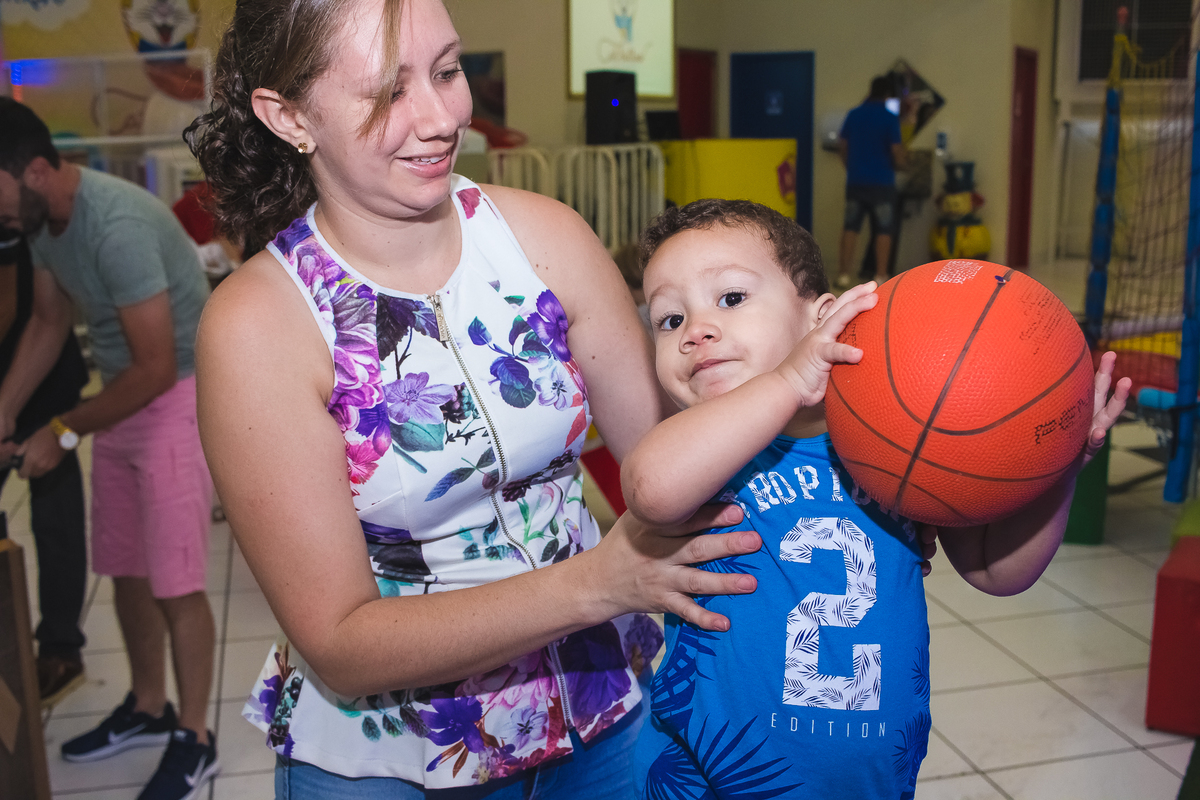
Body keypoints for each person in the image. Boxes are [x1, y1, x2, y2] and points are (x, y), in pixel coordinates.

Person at [184, 0, 759, 797]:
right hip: (396, 755)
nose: (445, 115)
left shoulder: (546, 237)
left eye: (449, 71)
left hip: (599, 714)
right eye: (389, 93)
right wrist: (598, 582)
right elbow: (341, 641)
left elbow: (673, 456)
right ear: (290, 116)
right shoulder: (260, 326)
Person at [620, 199, 1131, 798]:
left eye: (731, 298)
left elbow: (998, 572)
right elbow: (652, 490)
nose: (696, 331)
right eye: (668, 320)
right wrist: (787, 381)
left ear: (823, 318)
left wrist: (1059, 465)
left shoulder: (904, 439)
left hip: (870, 778)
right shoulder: (705, 450)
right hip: (704, 775)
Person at [0, 98, 219, 800]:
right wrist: (1, 411)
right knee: (125, 567)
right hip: (125, 395)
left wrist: (63, 431)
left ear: (35, 170)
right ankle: (148, 706)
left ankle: (196, 735)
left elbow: (156, 366)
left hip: (179, 394)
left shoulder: (115, 225)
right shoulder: (42, 220)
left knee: (175, 580)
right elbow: (46, 318)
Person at [0, 226, 90, 708]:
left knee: (56, 522)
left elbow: (18, 303)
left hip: (42, 381)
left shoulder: (11, 210)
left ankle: (59, 648)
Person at [836, 76, 907, 289]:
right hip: (882, 182)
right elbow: (896, 151)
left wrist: (850, 166)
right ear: (887, 95)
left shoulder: (854, 114)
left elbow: (842, 144)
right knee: (884, 230)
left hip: (856, 181)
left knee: (851, 227)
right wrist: (904, 164)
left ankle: (843, 275)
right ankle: (881, 274)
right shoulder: (889, 117)